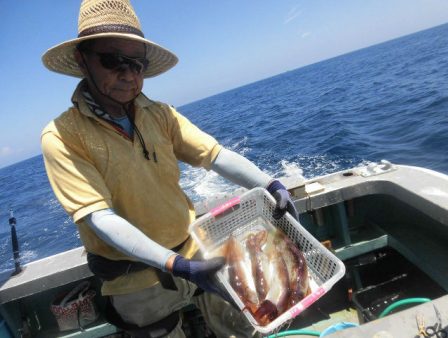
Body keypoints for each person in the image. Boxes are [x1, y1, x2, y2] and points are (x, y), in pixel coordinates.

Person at [41, 0, 298, 337]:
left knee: (246, 325)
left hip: (196, 250)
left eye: (137, 64)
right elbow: (99, 218)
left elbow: (215, 155)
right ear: (82, 59)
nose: (129, 74)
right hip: (134, 279)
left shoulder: (159, 114)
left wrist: (271, 184)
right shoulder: (62, 136)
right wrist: (177, 266)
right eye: (113, 60)